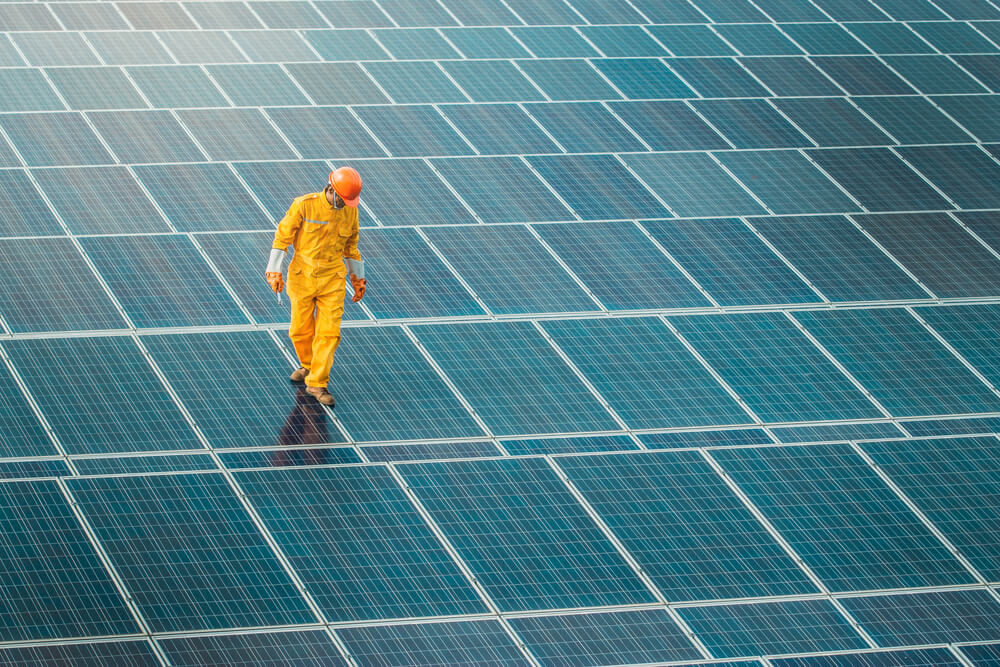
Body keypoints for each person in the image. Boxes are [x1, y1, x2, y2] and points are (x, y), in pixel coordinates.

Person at [265, 167, 367, 406]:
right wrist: (273, 270)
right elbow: (282, 239)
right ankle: (308, 365)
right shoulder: (304, 205)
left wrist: (358, 279)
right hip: (303, 276)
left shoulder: (351, 212)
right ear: (331, 189)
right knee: (300, 330)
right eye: (343, 200)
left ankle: (317, 383)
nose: (346, 205)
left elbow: (351, 247)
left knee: (329, 333)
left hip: (333, 278)